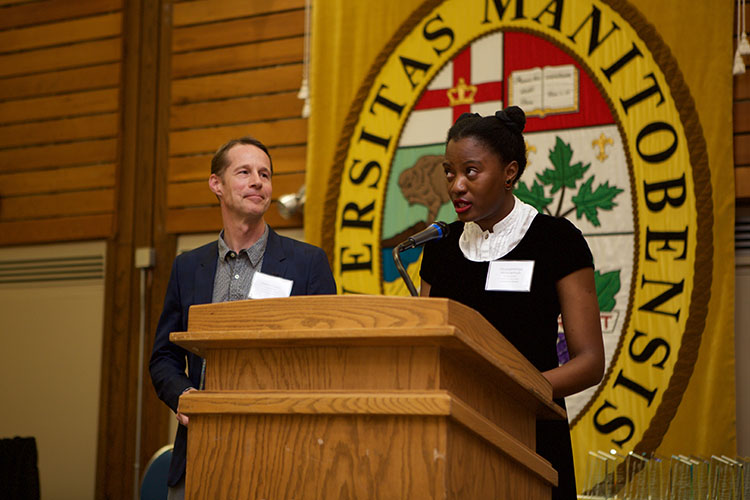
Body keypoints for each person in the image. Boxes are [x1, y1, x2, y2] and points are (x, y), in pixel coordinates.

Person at [419, 108, 604, 499]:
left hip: (530, 433)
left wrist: (511, 390)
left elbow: (589, 362)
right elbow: (427, 347)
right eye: (449, 172)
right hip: (454, 434)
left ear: (509, 172)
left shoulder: (555, 240)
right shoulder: (440, 247)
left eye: (471, 171)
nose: (456, 186)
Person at [149, 136, 336, 499]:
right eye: (245, 172)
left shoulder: (307, 263)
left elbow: (327, 357)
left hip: (283, 455)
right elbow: (164, 357)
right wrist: (183, 396)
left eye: (264, 174)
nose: (258, 182)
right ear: (216, 184)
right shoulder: (188, 266)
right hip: (200, 453)